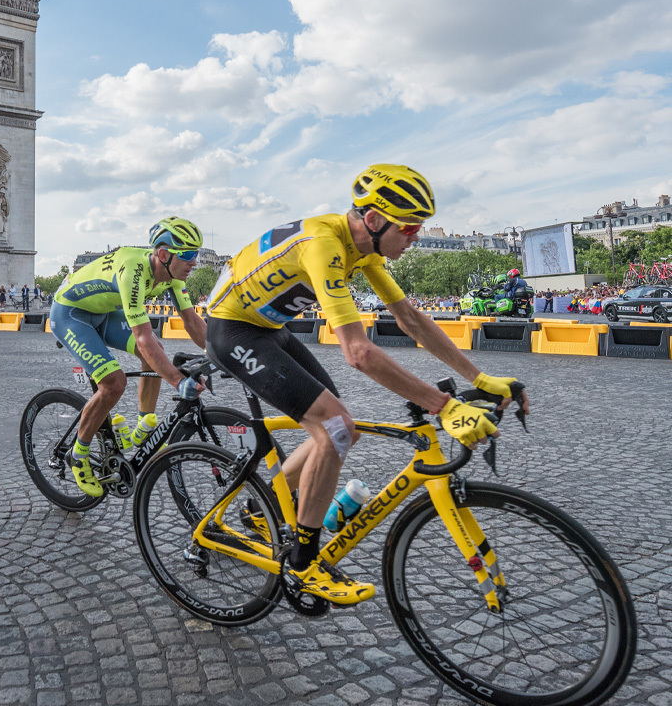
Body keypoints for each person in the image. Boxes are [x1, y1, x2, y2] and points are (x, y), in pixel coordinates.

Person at [205, 164, 530, 606]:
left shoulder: (366, 249)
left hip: (269, 328)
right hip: (233, 330)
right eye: (411, 227)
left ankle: (257, 508)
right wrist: (444, 406)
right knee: (335, 427)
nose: (416, 237)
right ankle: (301, 565)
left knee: (343, 429)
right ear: (373, 220)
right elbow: (358, 352)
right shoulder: (324, 245)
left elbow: (411, 318)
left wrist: (482, 379)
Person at [50, 217, 208, 496]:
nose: (194, 262)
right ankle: (78, 453)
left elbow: (192, 322)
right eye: (188, 255)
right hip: (70, 313)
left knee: (154, 352)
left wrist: (225, 354)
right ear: (163, 254)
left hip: (103, 312)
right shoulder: (133, 269)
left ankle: (144, 423)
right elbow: (142, 337)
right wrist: (177, 381)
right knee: (114, 383)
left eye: (196, 254)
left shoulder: (173, 276)